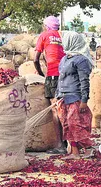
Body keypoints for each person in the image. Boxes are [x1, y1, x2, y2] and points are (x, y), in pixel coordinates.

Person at [55, 31, 94, 159]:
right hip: (63, 96)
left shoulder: (81, 60)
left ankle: (88, 148)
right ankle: (75, 152)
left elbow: (84, 81)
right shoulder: (65, 58)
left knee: (75, 125)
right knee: (66, 125)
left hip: (75, 97)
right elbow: (60, 78)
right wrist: (57, 95)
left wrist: (84, 100)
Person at [34, 16, 66, 154]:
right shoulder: (62, 36)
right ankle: (69, 142)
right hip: (66, 73)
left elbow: (35, 59)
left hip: (53, 73)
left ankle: (60, 145)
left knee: (55, 109)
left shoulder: (44, 35)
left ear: (46, 26)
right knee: (65, 107)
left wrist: (41, 74)